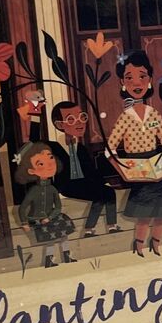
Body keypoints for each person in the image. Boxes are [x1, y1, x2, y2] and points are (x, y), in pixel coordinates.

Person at [106, 50, 162, 257]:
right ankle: (139, 245)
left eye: (142, 76)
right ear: (123, 82)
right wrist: (122, 166)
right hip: (137, 166)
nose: (136, 82)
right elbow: (110, 147)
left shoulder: (153, 113)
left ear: (149, 80)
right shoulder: (125, 117)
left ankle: (156, 243)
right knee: (144, 212)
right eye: (130, 78)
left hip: (157, 162)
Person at [51, 101, 121, 236]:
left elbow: (90, 170)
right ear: (59, 125)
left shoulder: (81, 148)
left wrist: (102, 182)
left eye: (82, 117)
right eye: (71, 119)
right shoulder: (54, 147)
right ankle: (89, 229)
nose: (79, 123)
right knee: (99, 196)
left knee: (108, 192)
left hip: (83, 183)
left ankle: (112, 226)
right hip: (66, 186)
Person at [15, 141, 75, 267]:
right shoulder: (34, 190)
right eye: (41, 163)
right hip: (37, 220)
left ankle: (67, 256)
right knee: (51, 240)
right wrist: (24, 223)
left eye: (51, 158)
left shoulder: (52, 189)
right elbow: (23, 208)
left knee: (64, 235)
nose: (49, 165)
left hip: (51, 217)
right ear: (31, 171)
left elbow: (58, 206)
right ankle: (49, 260)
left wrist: (50, 217)